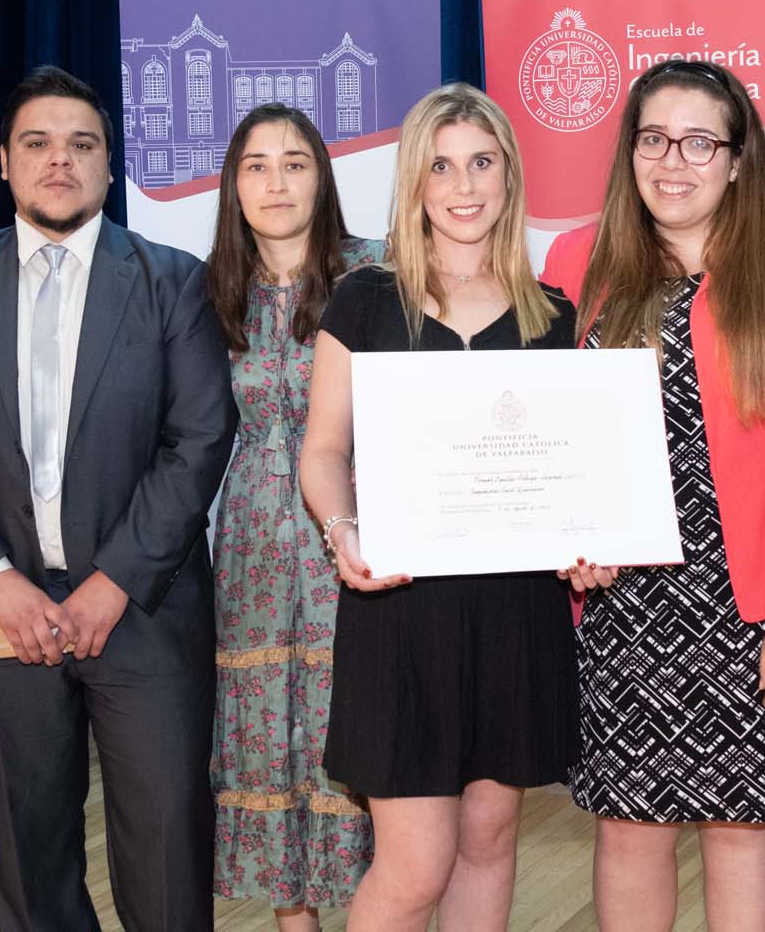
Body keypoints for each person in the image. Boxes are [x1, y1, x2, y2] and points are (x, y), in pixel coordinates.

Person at [0, 65, 237, 931]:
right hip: (3, 616)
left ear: (110, 166)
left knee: (166, 860)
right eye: (36, 143)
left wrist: (115, 580)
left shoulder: (173, 282)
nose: (59, 161)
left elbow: (198, 439)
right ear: (4, 162)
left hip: (143, 613)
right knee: (30, 861)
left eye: (82, 145)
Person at [540, 59, 765, 930]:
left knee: (740, 821)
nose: (672, 161)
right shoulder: (576, 261)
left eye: (698, 142)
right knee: (627, 825)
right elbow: (551, 425)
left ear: (739, 158)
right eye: (653, 139)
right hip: (621, 599)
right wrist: (568, 536)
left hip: (745, 599)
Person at [297, 82, 578, 931]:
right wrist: (342, 531)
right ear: (415, 182)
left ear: (509, 175)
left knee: (489, 843)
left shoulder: (553, 316)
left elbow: (572, 470)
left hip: (515, 611)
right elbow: (323, 450)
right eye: (442, 166)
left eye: (482, 163)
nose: (464, 186)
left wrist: (588, 538)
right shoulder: (364, 300)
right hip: (401, 611)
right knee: (415, 867)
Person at [206, 103, 381, 926]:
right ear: (233, 186)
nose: (276, 182)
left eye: (295, 163)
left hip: (356, 535)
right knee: (269, 740)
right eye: (257, 166)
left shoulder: (376, 276)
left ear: (323, 177)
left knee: (352, 732)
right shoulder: (210, 293)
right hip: (251, 549)